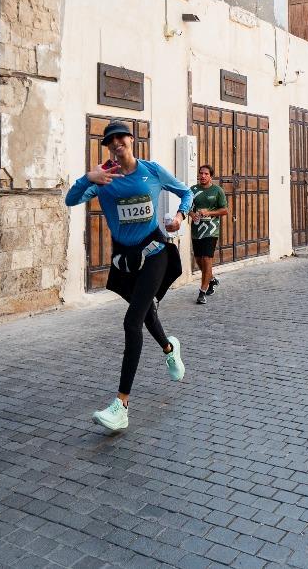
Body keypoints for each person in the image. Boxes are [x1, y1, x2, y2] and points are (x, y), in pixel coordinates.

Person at [66, 120, 192, 432]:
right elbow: (71, 200)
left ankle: (121, 405)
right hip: (125, 260)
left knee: (131, 321)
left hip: (155, 253)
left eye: (120, 137)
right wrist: (87, 179)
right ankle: (169, 348)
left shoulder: (152, 170)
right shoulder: (104, 177)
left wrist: (179, 217)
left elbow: (185, 192)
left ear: (131, 140)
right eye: (110, 141)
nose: (116, 144)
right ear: (107, 147)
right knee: (145, 311)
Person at [189, 164, 228, 305]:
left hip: (211, 230)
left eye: (206, 174)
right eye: (201, 173)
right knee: (199, 260)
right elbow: (187, 207)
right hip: (197, 230)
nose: (203, 176)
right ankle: (211, 280)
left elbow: (224, 211)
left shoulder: (217, 191)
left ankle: (202, 292)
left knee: (206, 259)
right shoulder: (193, 190)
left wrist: (209, 213)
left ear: (211, 176)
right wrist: (192, 214)